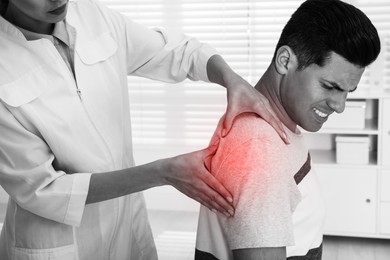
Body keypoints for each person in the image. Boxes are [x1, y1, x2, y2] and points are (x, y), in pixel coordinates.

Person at [0, 0, 289, 259]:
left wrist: (230, 79)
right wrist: (160, 173)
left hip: (126, 227)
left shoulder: (92, 16)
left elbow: (179, 51)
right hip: (58, 243)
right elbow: (43, 189)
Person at [195, 0, 381, 259]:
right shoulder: (259, 151)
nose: (340, 106)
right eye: (329, 86)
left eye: (348, 92)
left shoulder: (276, 127)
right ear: (285, 61)